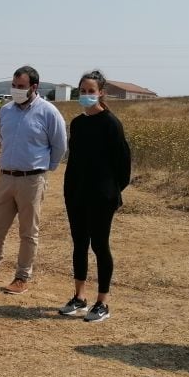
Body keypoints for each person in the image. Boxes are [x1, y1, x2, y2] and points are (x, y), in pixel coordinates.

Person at [0, 66, 67, 294]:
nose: (17, 90)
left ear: (34, 87)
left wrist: (47, 168)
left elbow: (59, 145)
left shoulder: (49, 112)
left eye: (21, 87)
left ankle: (22, 276)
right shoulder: (5, 111)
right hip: (5, 177)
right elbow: (2, 137)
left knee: (28, 232)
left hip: (32, 179)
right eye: (14, 86)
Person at [58, 70, 131, 323]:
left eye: (91, 91)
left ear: (101, 93)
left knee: (100, 246)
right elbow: (75, 161)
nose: (87, 95)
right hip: (76, 195)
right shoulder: (77, 124)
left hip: (102, 197)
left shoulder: (111, 123)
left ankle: (102, 302)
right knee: (79, 244)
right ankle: (79, 297)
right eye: (83, 91)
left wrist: (112, 192)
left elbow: (123, 166)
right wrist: (70, 190)